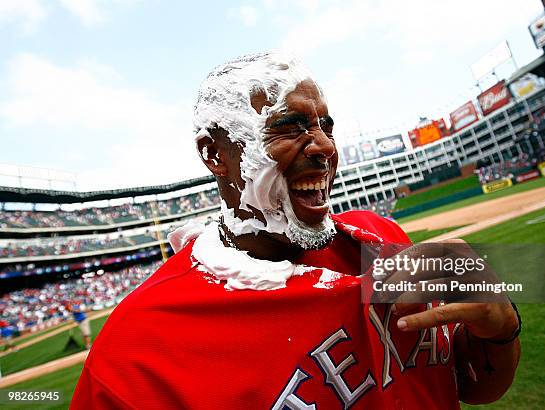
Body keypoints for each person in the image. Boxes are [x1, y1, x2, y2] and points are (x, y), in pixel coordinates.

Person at [71, 52, 520, 409]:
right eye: (290, 128)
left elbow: (466, 386)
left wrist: (501, 327)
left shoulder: (378, 238)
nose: (325, 146)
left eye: (326, 126)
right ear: (215, 155)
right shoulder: (136, 354)